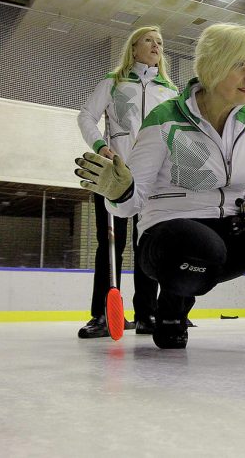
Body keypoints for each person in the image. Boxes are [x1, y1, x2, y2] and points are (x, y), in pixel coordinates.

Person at [74, 23, 245, 350]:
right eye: (240, 65)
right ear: (214, 63)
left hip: (234, 233)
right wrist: (119, 190)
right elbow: (132, 205)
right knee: (201, 244)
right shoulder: (165, 117)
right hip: (170, 240)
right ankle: (170, 311)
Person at [76, 26, 179, 338]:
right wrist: (100, 148)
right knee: (111, 243)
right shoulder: (114, 81)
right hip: (114, 176)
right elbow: (85, 116)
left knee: (147, 245)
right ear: (133, 48)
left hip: (152, 182)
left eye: (160, 42)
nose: (156, 45)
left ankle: (147, 314)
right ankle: (103, 315)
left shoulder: (171, 92)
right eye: (148, 40)